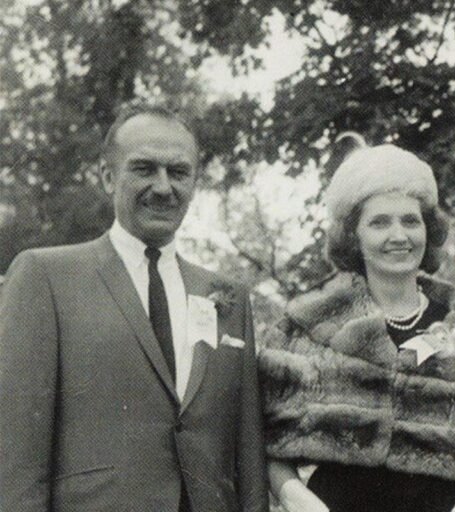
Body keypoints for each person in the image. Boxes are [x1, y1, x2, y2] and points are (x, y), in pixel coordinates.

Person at [0, 103, 268, 511]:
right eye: (144, 169)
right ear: (108, 176)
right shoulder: (46, 276)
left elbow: (248, 457)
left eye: (178, 172)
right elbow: (15, 455)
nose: (163, 187)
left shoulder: (227, 296)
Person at [257, 134, 455, 512]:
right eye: (379, 222)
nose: (399, 236)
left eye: (410, 221)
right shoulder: (305, 327)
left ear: (428, 230)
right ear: (354, 236)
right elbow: (266, 443)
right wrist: (300, 502)